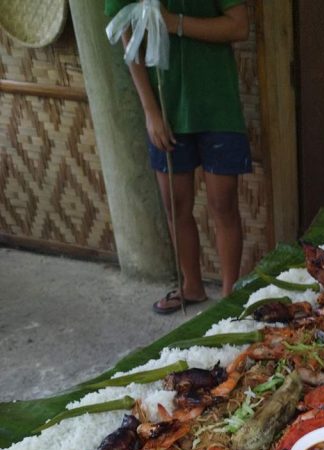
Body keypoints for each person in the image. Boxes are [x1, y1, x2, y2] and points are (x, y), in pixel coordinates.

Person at [105, 0, 251, 313]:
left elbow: (239, 26)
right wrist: (150, 111)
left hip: (217, 104)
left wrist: (176, 23)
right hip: (165, 106)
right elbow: (128, 36)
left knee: (223, 204)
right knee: (175, 203)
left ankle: (229, 297)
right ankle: (192, 286)